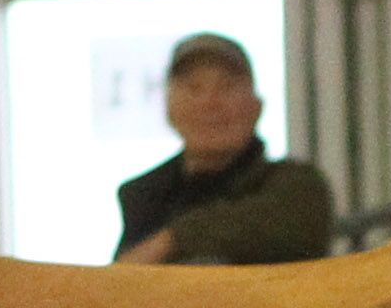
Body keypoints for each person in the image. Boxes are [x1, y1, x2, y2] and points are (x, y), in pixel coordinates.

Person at [111, 34, 333, 264]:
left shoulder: (296, 188)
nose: (210, 103)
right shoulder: (144, 197)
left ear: (256, 107)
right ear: (169, 110)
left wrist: (172, 240)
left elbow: (290, 227)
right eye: (193, 88)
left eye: (227, 87)